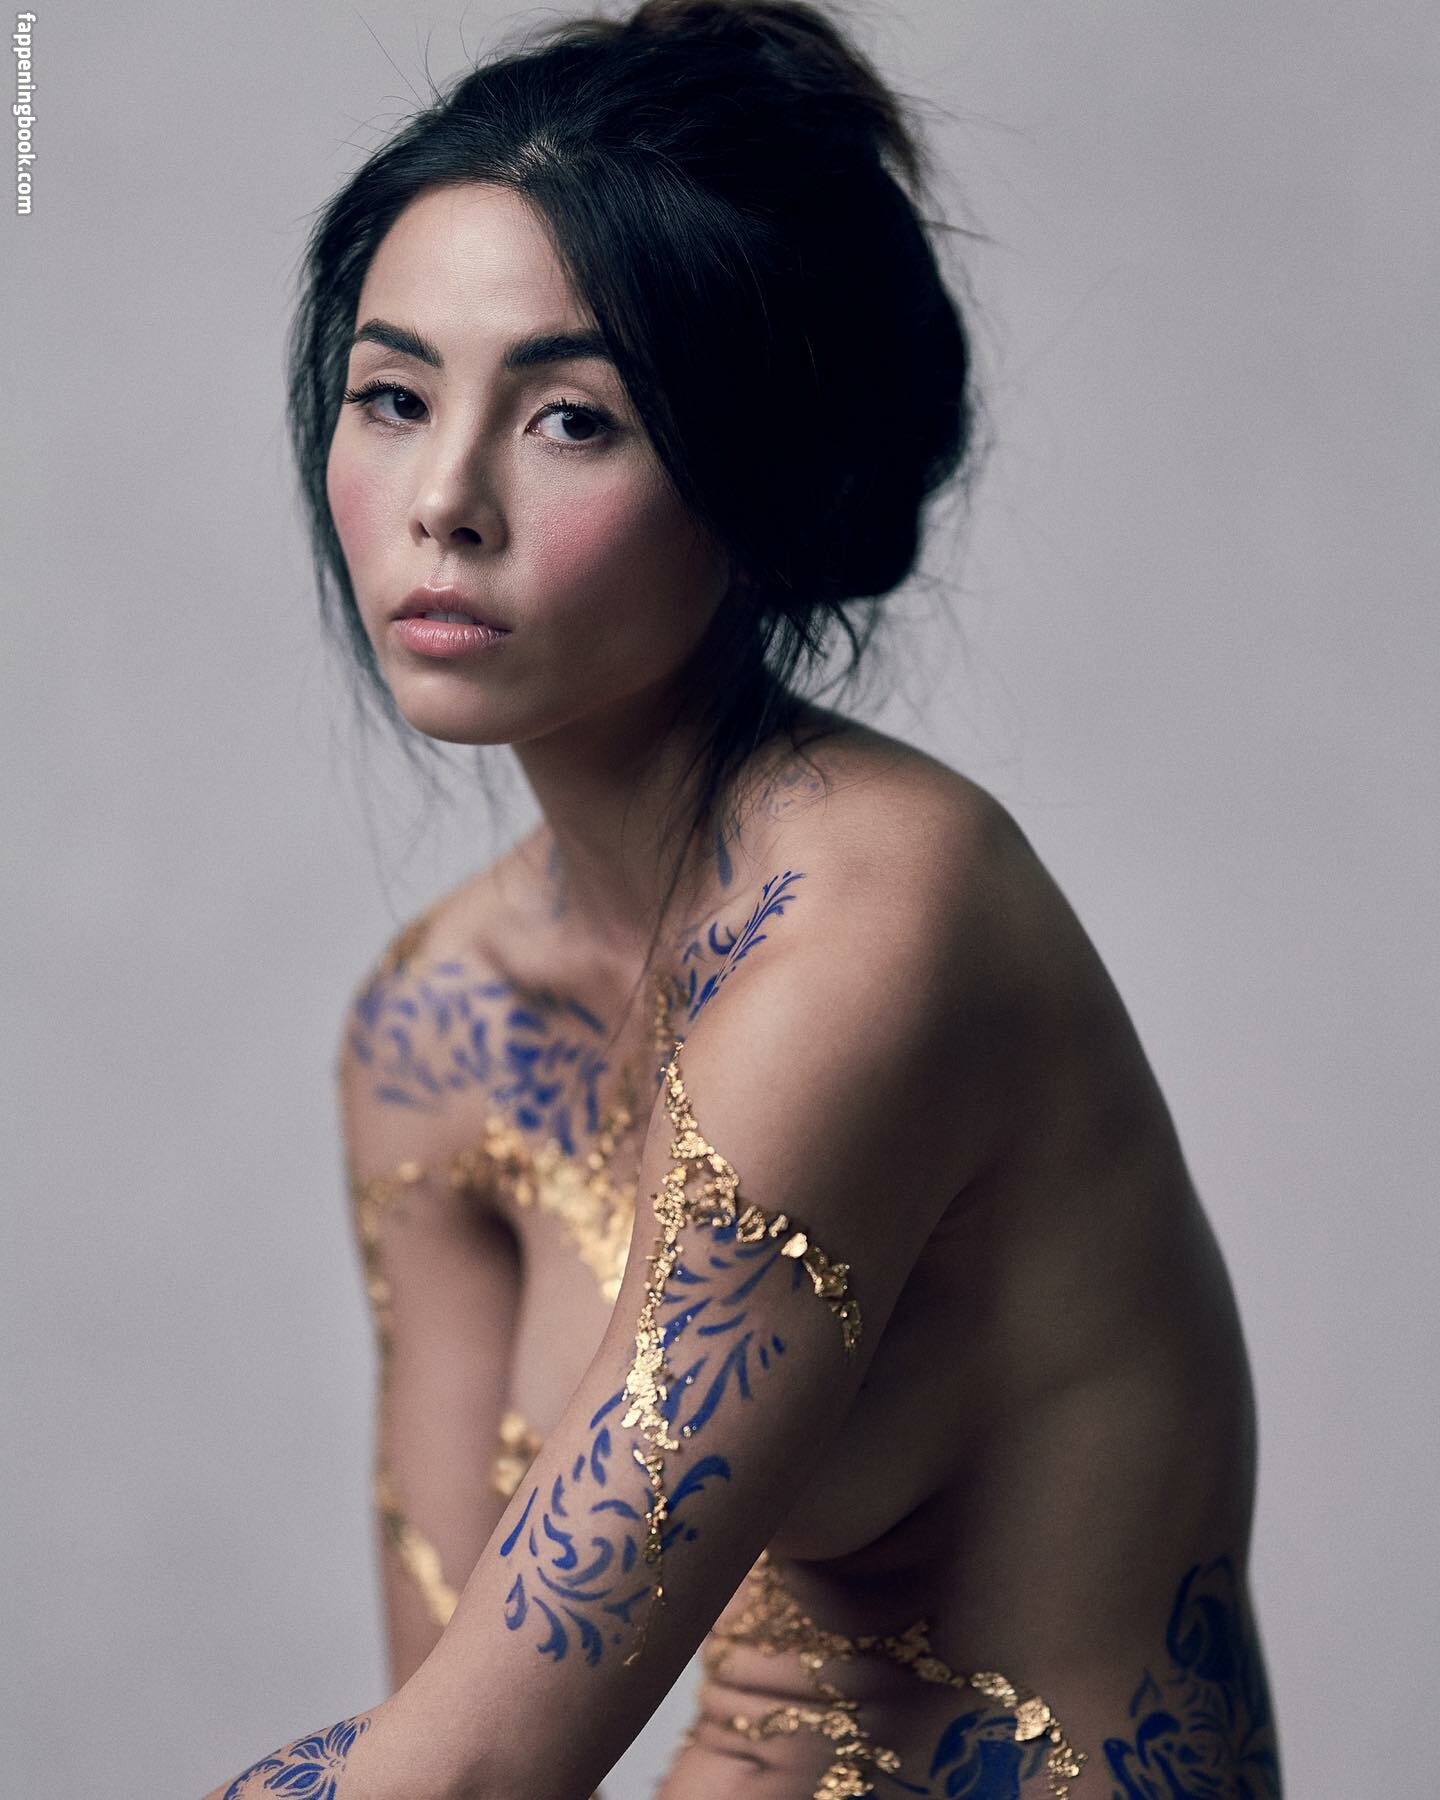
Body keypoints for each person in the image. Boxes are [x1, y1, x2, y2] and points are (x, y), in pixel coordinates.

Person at [203, 1, 1281, 1795]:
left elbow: (464, 1778)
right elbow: (454, 1736)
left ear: (748, 476)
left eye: (573, 419)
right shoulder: (435, 1031)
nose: (443, 500)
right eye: (392, 398)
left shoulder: (872, 921)